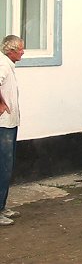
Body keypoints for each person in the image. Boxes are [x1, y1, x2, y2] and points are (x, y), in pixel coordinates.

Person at [0, 35, 24, 226]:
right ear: (11, 50)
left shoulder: (8, 65)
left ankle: (2, 206)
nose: (23, 52)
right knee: (3, 168)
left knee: (7, 166)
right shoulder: (3, 65)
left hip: (10, 123)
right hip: (3, 125)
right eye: (21, 49)